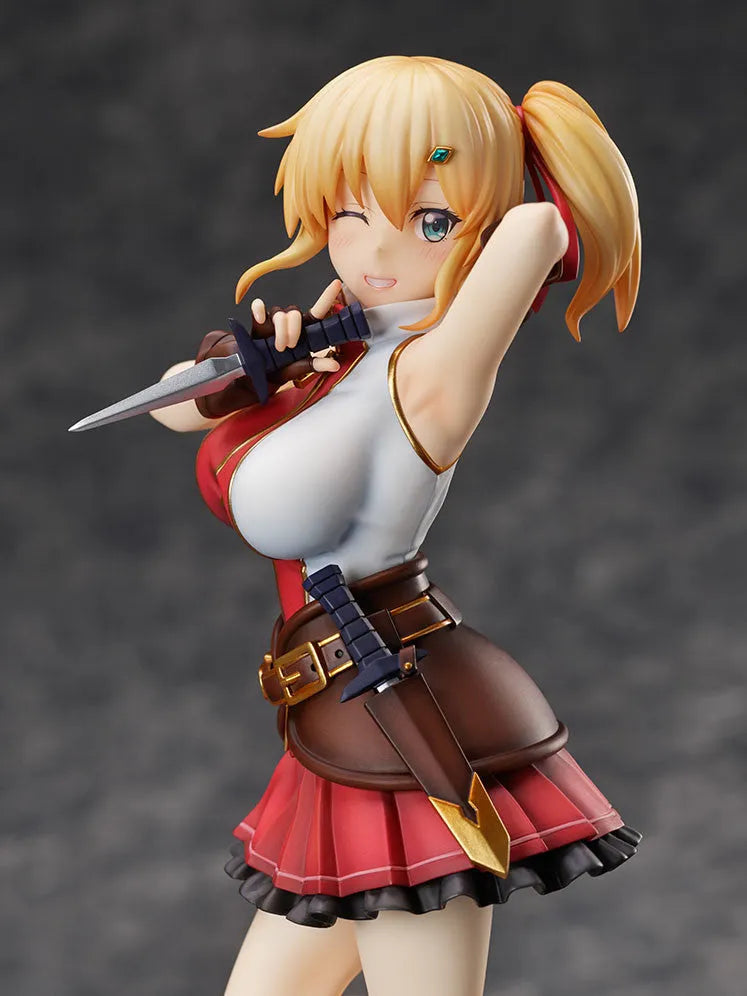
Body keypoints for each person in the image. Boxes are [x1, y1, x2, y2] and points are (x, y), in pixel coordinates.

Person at [151, 56, 642, 996]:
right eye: (348, 211)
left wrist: (500, 155)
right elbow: (174, 408)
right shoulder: (332, 357)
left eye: (428, 221)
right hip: (335, 721)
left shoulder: (431, 373)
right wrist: (250, 363)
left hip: (401, 724)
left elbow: (538, 226)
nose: (374, 248)